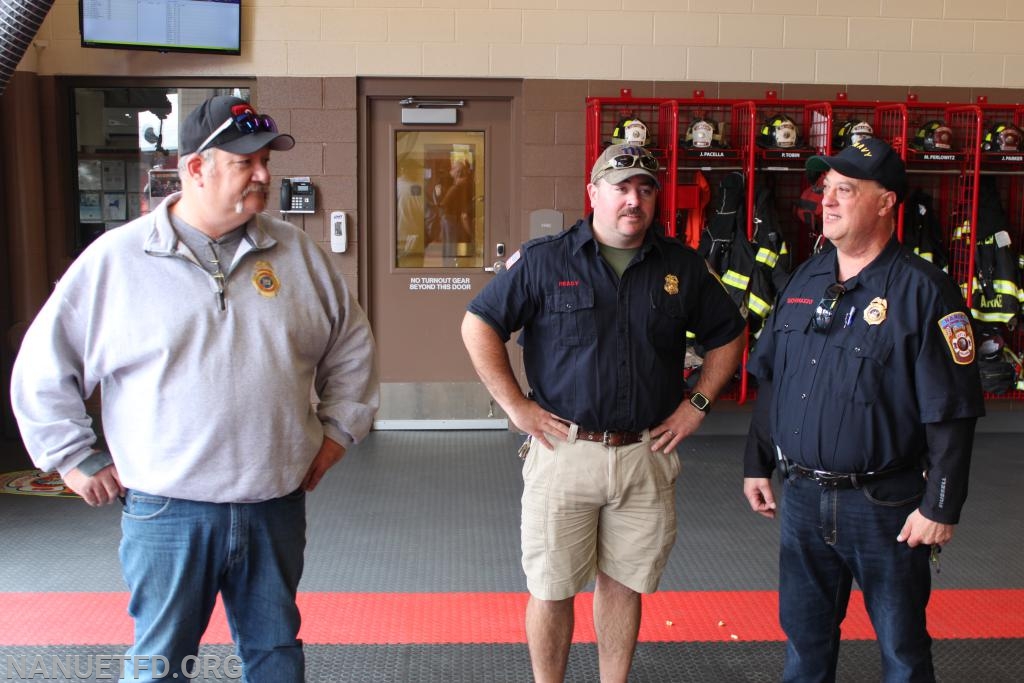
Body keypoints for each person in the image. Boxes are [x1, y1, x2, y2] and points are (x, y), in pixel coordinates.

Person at [10, 95, 379, 682]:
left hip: (273, 503)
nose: (262, 174)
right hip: (167, 510)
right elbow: (43, 365)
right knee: (161, 662)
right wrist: (71, 456)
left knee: (276, 654)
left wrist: (337, 432)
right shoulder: (118, 261)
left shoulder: (297, 254)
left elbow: (351, 346)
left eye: (265, 160)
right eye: (244, 162)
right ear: (195, 168)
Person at [461, 143, 746, 682]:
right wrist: (516, 405)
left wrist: (698, 405)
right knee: (551, 588)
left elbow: (729, 334)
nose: (633, 200)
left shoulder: (680, 267)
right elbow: (479, 324)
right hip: (562, 452)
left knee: (623, 583)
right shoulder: (545, 261)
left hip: (644, 455)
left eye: (645, 189)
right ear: (593, 193)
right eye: (621, 187)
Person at [742, 137, 985, 682]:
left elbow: (952, 411)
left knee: (902, 650)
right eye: (825, 189)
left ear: (885, 203)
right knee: (804, 645)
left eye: (845, 190)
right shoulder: (804, 281)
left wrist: (941, 506)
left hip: (887, 507)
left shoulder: (927, 292)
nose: (826, 201)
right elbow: (774, 380)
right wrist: (756, 462)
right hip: (801, 500)